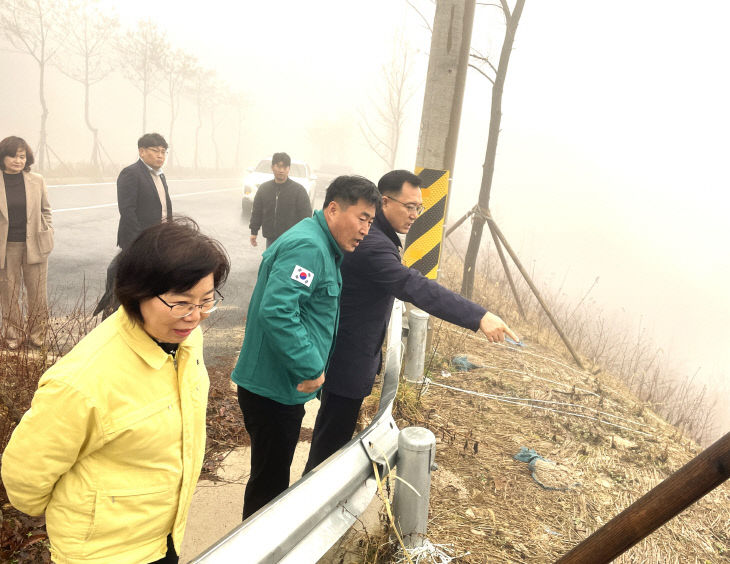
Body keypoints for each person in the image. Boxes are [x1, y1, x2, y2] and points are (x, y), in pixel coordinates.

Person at [2, 218, 230, 564]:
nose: (195, 316)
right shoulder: (83, 381)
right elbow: (25, 478)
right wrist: (86, 514)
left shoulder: (184, 341)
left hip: (163, 535)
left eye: (206, 301)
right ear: (138, 292)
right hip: (102, 553)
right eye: (181, 302)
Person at [303, 170, 519, 474]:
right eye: (409, 207)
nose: (415, 215)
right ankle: (314, 507)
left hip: (349, 356)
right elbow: (415, 286)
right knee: (328, 448)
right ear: (385, 202)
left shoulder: (376, 236)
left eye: (420, 208)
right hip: (347, 360)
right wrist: (478, 316)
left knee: (331, 439)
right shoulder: (373, 244)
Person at [232, 175, 380, 519]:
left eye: (371, 222)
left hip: (278, 386)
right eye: (361, 218)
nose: (366, 230)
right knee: (268, 488)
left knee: (270, 479)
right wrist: (311, 367)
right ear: (332, 209)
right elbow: (278, 310)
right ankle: (257, 552)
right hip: (271, 389)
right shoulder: (310, 248)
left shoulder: (320, 244)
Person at [94, 133, 172, 317]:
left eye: (163, 151)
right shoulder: (131, 173)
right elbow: (127, 211)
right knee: (126, 286)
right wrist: (140, 241)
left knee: (149, 287)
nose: (160, 155)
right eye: (155, 151)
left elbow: (164, 210)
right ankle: (112, 322)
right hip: (138, 241)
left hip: (158, 241)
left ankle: (143, 323)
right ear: (142, 151)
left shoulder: (160, 176)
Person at [0, 136, 53, 350]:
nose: (17, 160)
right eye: (12, 155)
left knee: (38, 294)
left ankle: (37, 337)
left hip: (35, 244)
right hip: (5, 247)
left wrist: (47, 230)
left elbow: (46, 210)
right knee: (9, 293)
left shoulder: (36, 180)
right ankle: (13, 336)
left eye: (21, 156)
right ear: (3, 157)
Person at [249, 152, 313, 248]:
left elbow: (306, 215)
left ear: (289, 168)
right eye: (278, 167)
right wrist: (254, 232)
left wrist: (303, 237)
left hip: (291, 240)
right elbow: (257, 211)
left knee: (287, 263)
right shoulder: (264, 188)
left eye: (285, 167)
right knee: (270, 262)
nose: (281, 170)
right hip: (271, 239)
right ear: (272, 167)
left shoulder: (298, 190)